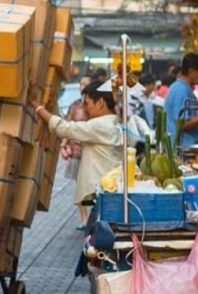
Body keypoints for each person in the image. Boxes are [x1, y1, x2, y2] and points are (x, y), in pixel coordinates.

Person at [32, 82, 131, 228]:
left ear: (101, 103)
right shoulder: (114, 124)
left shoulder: (100, 125)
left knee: (96, 238)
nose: (84, 109)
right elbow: (72, 131)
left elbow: (64, 127)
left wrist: (37, 107)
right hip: (110, 191)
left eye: (87, 103)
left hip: (103, 193)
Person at [165, 53, 198, 148]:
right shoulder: (181, 90)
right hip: (182, 147)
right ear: (191, 71)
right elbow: (181, 124)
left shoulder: (182, 88)